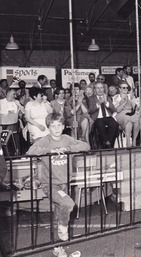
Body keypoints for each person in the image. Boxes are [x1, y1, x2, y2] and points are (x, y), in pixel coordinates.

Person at [27, 112, 90, 241]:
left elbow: (86, 146)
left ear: (63, 126)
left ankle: (57, 240)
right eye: (53, 126)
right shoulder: (45, 141)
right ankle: (62, 230)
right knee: (68, 203)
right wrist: (49, 151)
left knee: (61, 209)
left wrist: (68, 148)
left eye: (59, 125)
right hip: (50, 184)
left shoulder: (67, 138)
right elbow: (30, 152)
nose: (56, 129)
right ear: (48, 127)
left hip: (65, 182)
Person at [87, 82, 118, 149]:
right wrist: (98, 103)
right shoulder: (91, 98)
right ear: (94, 90)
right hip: (98, 118)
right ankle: (107, 142)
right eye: (97, 88)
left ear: (104, 89)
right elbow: (91, 110)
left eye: (101, 87)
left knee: (114, 124)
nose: (100, 90)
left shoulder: (107, 97)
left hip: (108, 116)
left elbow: (114, 109)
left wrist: (106, 102)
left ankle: (107, 142)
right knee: (100, 124)